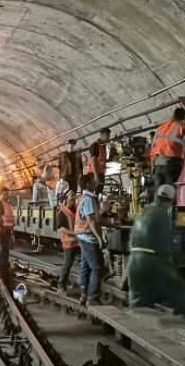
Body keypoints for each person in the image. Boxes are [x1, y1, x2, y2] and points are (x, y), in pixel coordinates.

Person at [127, 184, 185, 314]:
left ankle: (137, 326)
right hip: (152, 260)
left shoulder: (144, 212)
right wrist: (171, 265)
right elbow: (165, 243)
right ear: (172, 199)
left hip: (134, 260)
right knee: (183, 292)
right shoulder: (166, 214)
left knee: (139, 300)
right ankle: (180, 325)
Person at [74, 174, 105, 305]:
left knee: (86, 266)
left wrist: (109, 223)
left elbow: (95, 219)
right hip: (88, 236)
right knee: (97, 268)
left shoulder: (85, 198)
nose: (96, 182)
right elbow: (91, 221)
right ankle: (93, 297)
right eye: (93, 181)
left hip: (83, 235)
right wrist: (100, 238)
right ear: (87, 184)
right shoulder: (88, 199)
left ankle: (84, 294)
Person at [150, 108, 185, 198]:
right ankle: (171, 211)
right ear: (183, 118)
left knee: (159, 193)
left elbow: (153, 146)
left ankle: (158, 210)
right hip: (171, 165)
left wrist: (153, 166)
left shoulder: (161, 127)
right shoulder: (180, 126)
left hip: (158, 165)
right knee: (170, 194)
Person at [56, 184, 79, 293]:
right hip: (68, 243)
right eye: (71, 199)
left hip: (77, 242)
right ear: (66, 200)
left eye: (74, 199)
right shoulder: (62, 213)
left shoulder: (74, 211)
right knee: (68, 264)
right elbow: (61, 229)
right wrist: (74, 233)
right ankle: (61, 284)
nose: (73, 201)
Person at [0, 187, 15, 282]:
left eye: (7, 193)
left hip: (7, 231)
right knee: (3, 252)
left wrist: (11, 232)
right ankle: (1, 273)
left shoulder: (7, 204)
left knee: (6, 252)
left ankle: (4, 272)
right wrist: (0, 230)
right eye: (5, 194)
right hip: (2, 231)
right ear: (1, 194)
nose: (7, 195)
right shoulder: (0, 204)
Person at [87, 128, 116, 193]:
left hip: (101, 173)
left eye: (109, 136)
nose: (108, 138)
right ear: (101, 135)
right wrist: (95, 175)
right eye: (107, 136)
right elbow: (93, 161)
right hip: (94, 173)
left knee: (99, 192)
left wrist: (112, 154)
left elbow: (103, 160)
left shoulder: (103, 146)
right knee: (94, 192)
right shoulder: (95, 145)